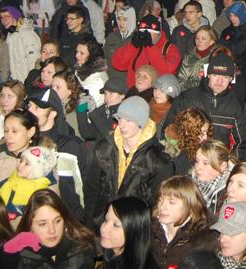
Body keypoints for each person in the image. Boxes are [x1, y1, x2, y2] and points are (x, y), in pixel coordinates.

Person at [86, 96, 173, 227]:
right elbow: (91, 190)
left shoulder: (157, 161)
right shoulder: (104, 149)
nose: (122, 125)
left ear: (141, 123)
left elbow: (156, 204)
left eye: (128, 120)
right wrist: (89, 224)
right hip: (103, 222)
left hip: (133, 227)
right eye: (120, 118)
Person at [167, 55, 246, 158]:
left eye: (225, 77)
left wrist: (231, 163)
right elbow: (171, 128)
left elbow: (240, 145)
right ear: (208, 75)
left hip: (217, 161)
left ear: (231, 79)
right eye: (215, 75)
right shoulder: (188, 98)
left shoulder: (236, 106)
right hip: (187, 157)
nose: (219, 82)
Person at [4, 189, 98, 268]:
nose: (52, 230)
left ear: (65, 220)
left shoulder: (81, 248)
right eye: (42, 224)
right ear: (30, 226)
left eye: (57, 221)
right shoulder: (18, 257)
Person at [150, 175, 218, 267]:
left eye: (171, 202)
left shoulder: (203, 239)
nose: (162, 207)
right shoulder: (149, 230)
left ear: (190, 206)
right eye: (160, 200)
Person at [0, 144, 56, 222]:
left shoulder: (40, 194)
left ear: (37, 170)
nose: (20, 165)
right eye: (21, 161)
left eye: (27, 164)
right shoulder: (12, 178)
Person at [99, 196, 159, 269]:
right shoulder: (107, 254)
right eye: (106, 220)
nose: (103, 229)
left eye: (116, 225)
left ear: (134, 231)